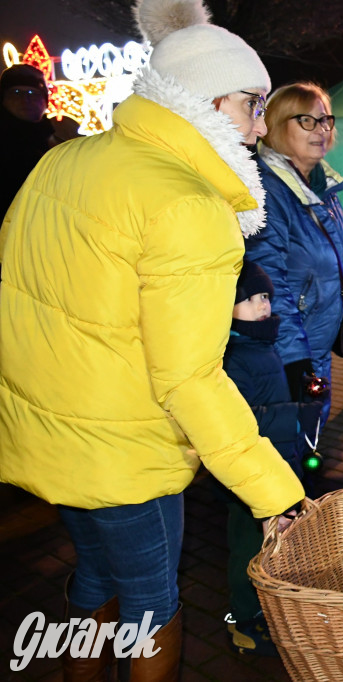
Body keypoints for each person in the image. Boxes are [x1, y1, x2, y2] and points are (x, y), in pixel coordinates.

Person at [0, 0, 305, 678]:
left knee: (94, 576)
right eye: (252, 104)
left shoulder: (63, 160)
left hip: (47, 432)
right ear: (207, 100)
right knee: (151, 602)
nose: (261, 125)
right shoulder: (189, 203)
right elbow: (188, 377)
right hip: (125, 450)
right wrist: (274, 493)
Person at [220, 260, 322, 656]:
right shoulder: (232, 357)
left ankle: (266, 608)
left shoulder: (261, 343)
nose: (262, 304)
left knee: (274, 545)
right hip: (247, 475)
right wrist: (294, 416)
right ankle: (242, 620)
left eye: (265, 296)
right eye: (250, 299)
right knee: (248, 548)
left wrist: (302, 397)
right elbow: (240, 420)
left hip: (275, 465)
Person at [247, 81, 343, 427]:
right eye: (307, 121)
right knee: (283, 441)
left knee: (309, 436)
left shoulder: (323, 187)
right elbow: (267, 282)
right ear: (277, 126)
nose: (321, 130)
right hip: (285, 356)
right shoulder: (268, 190)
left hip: (316, 349)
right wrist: (295, 359)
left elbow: (335, 264)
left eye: (325, 120)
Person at [0, 63, 56, 221]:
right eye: (16, 92)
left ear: (45, 101)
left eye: (32, 92)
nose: (25, 99)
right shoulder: (6, 144)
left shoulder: (55, 139)